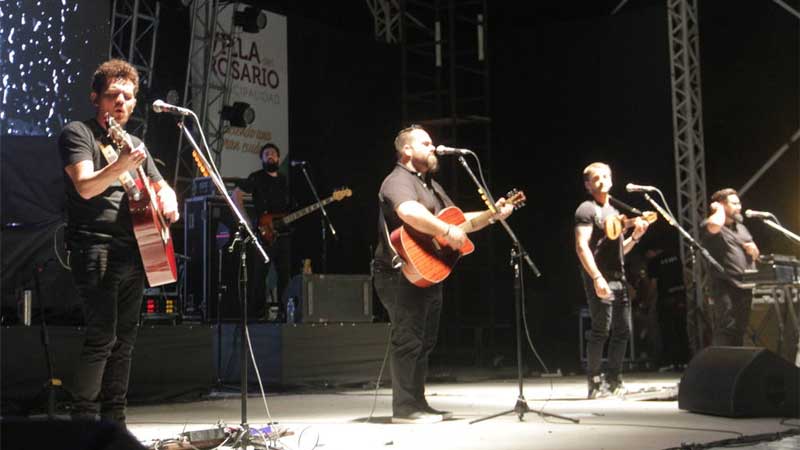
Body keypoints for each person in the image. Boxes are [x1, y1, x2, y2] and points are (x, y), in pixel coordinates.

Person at [58, 59, 180, 424]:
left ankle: (115, 423)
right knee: (102, 338)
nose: (121, 103)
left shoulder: (136, 143)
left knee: (125, 343)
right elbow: (85, 186)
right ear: (96, 97)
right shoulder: (78, 133)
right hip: (95, 248)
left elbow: (161, 186)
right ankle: (84, 423)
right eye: (113, 95)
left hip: (136, 251)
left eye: (128, 97)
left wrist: (170, 198)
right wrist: (121, 165)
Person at [372, 125, 514, 423]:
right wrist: (445, 229)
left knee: (425, 341)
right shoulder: (397, 180)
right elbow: (409, 212)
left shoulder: (432, 186)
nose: (433, 147)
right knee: (408, 340)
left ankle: (418, 403)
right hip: (398, 271)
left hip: (427, 269)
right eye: (425, 143)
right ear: (406, 150)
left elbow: (460, 222)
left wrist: (493, 215)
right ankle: (404, 408)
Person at [575, 162, 649, 399]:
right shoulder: (586, 209)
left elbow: (620, 251)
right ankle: (594, 382)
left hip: (619, 277)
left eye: (606, 176)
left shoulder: (615, 212)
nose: (602, 180)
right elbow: (581, 246)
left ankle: (614, 379)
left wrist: (635, 238)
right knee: (600, 329)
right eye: (596, 178)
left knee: (623, 330)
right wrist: (596, 277)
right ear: (588, 185)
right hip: (600, 276)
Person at [233, 143, 292, 318]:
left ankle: (284, 313)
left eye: (273, 153)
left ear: (279, 158)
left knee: (285, 276)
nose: (270, 156)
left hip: (284, 234)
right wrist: (247, 221)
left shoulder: (284, 180)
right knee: (259, 275)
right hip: (264, 234)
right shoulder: (256, 178)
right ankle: (256, 315)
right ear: (261, 159)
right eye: (266, 154)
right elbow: (236, 194)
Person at [701, 188, 758, 346]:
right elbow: (714, 224)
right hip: (725, 285)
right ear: (721, 205)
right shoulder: (712, 223)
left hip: (745, 285)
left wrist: (753, 250)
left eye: (739, 203)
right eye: (734, 203)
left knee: (740, 329)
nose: (739, 207)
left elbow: (755, 253)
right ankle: (721, 367)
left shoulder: (742, 228)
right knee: (727, 327)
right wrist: (718, 210)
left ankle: (735, 366)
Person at [645, 246, 689, 369]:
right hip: (680, 295)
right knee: (682, 329)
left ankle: (670, 361)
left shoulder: (654, 262)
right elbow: (686, 275)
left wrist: (647, 301)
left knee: (667, 331)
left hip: (666, 298)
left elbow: (653, 284)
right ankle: (685, 360)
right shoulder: (677, 255)